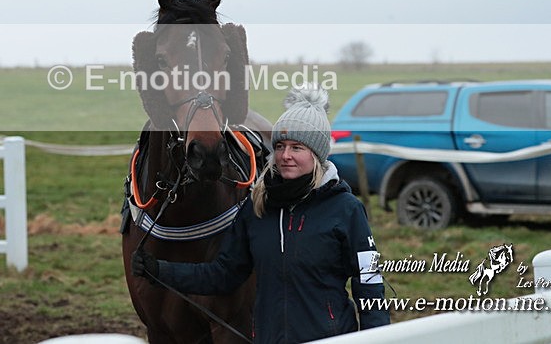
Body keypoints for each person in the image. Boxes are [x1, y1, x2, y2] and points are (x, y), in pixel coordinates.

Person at [132, 84, 390, 343]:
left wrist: (378, 339)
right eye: (279, 146)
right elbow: (223, 275)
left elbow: (369, 283)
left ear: (317, 153)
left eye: (297, 148)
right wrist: (160, 270)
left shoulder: (346, 210)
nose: (285, 156)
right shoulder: (257, 209)